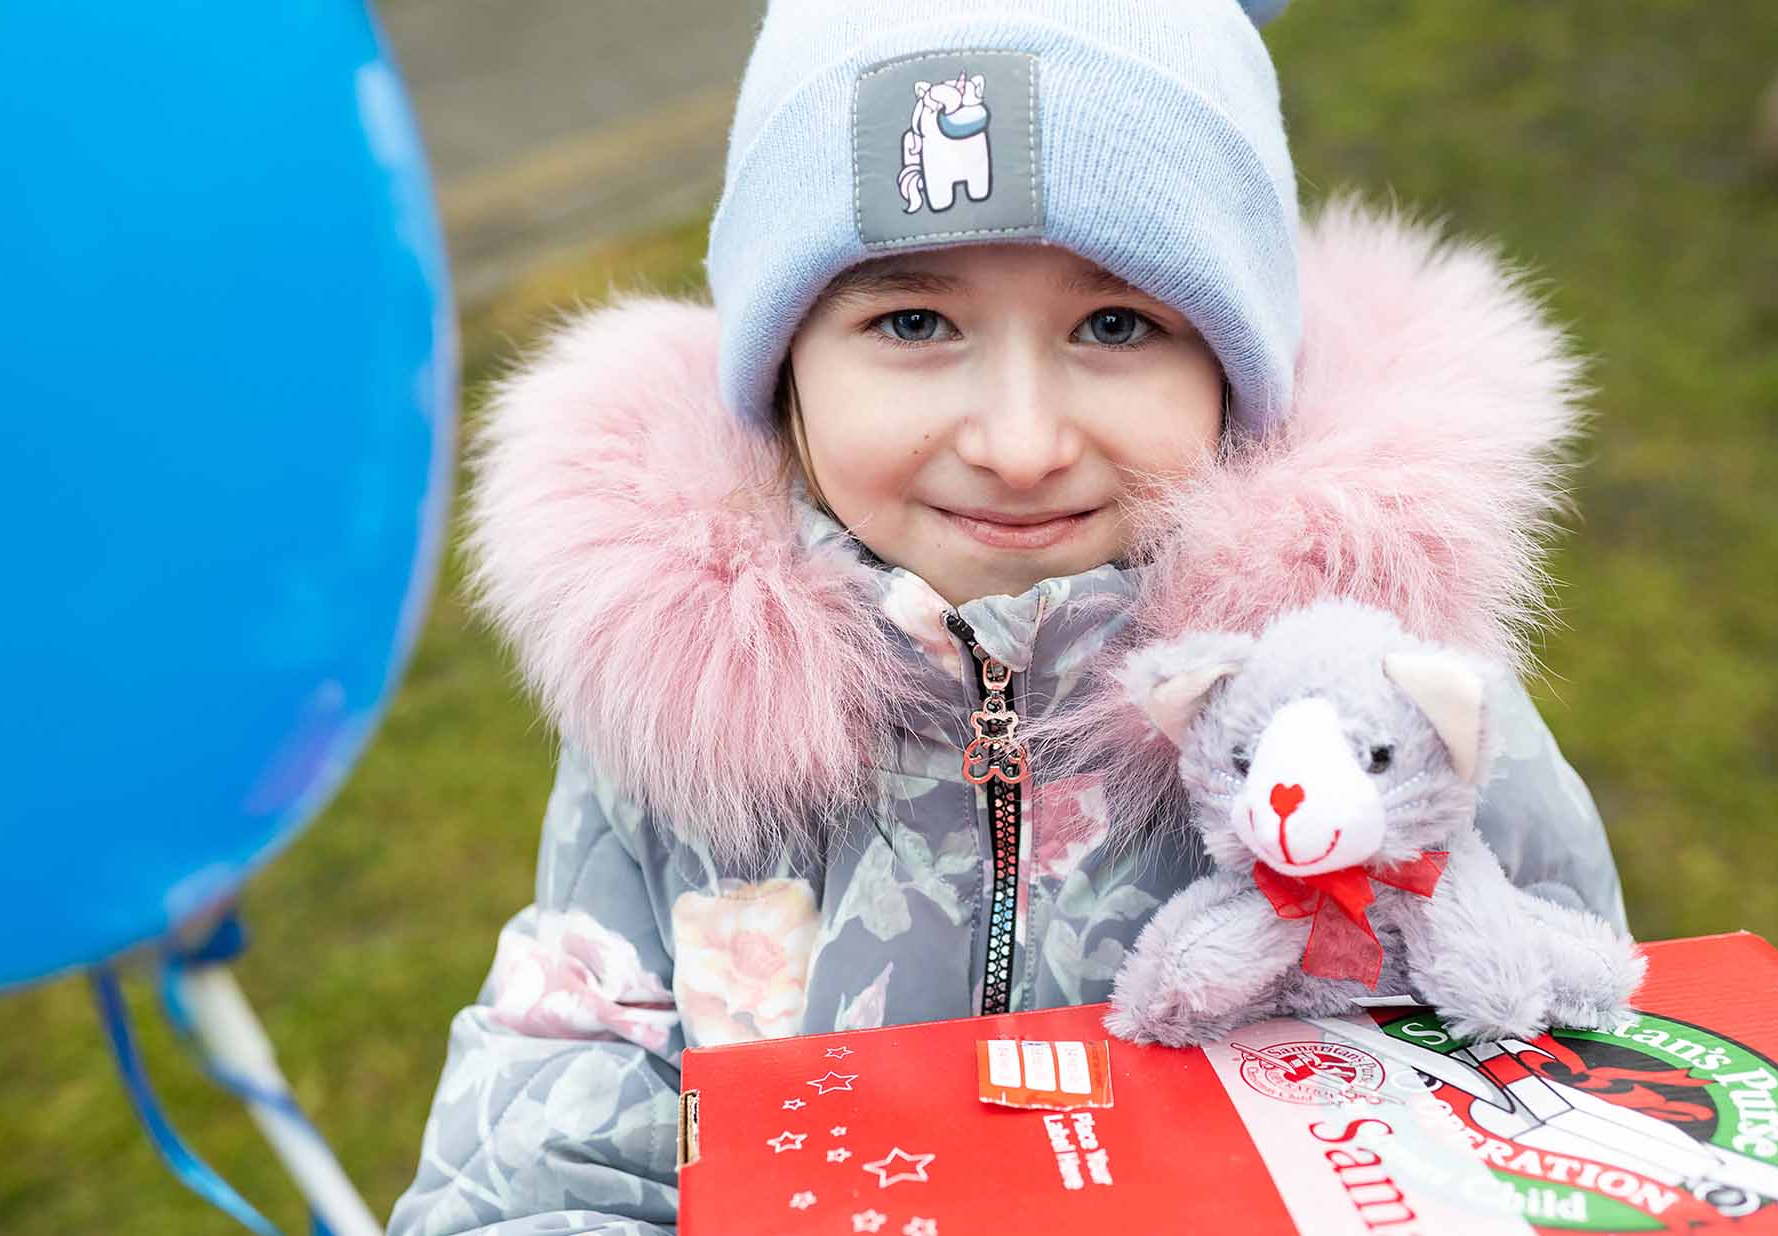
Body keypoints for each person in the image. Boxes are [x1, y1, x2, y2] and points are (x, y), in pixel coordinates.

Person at [388, 2, 1626, 1232]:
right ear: (782, 369)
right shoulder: (675, 714)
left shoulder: (1382, 715)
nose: (1020, 445)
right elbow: (557, 1145)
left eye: (1116, 324)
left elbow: (1569, 1089)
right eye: (913, 323)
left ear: (1236, 370)